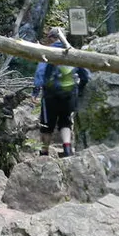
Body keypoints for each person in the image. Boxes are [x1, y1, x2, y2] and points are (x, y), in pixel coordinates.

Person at [31, 26, 90, 157]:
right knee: (65, 121)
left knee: (46, 125)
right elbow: (85, 75)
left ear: (52, 38)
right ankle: (67, 149)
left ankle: (44, 152)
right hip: (69, 94)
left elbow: (40, 72)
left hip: (50, 95)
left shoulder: (49, 52)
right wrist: (79, 89)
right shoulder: (72, 51)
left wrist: (35, 91)